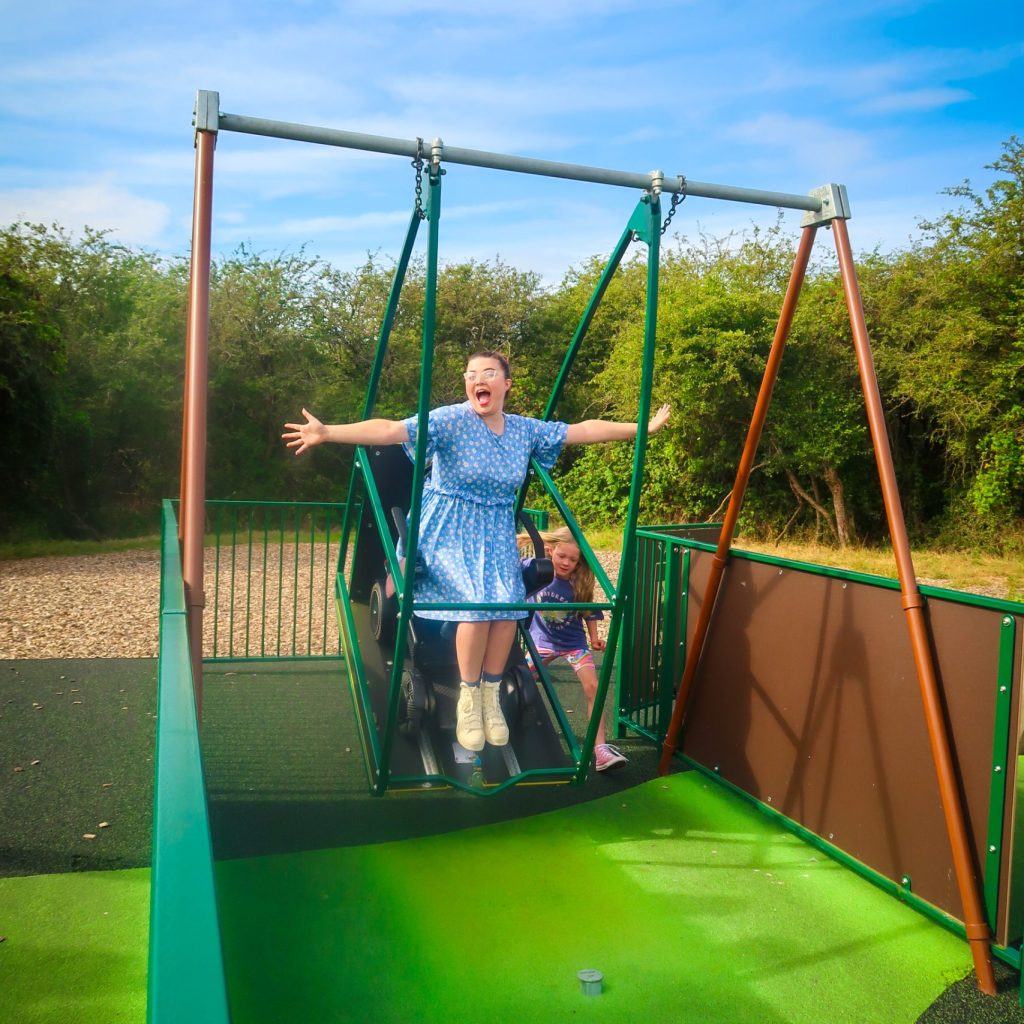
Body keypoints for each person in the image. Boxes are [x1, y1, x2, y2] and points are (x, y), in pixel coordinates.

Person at [283, 350, 670, 754]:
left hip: (494, 531)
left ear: (506, 384)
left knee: (505, 604)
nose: (477, 380)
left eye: (488, 373)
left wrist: (641, 426)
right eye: (470, 375)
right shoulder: (451, 420)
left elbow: (583, 430)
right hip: (446, 528)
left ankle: (489, 695)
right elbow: (391, 430)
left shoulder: (523, 430)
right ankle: (469, 699)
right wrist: (328, 432)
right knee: (475, 601)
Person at [525, 527, 626, 771]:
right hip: (542, 643)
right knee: (521, 681)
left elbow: (588, 610)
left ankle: (600, 749)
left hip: (573, 644)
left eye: (573, 559)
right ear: (551, 551)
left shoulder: (577, 581)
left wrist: (594, 637)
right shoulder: (537, 571)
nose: (566, 563)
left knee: (594, 688)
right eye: (562, 556)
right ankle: (517, 729)